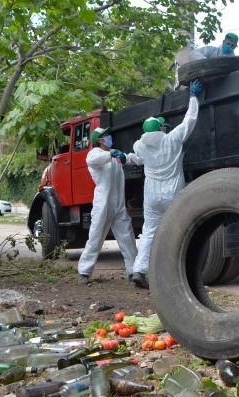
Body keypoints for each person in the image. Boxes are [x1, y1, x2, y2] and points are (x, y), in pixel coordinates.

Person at [113, 79, 203, 289]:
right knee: (178, 230)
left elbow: (136, 158)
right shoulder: (172, 140)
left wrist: (124, 157)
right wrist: (193, 96)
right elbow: (190, 120)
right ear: (161, 128)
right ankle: (175, 272)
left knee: (149, 232)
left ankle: (139, 270)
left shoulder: (141, 146)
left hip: (152, 195)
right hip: (173, 193)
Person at [77, 127, 138, 285]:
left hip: (118, 204)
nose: (109, 136)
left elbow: (129, 158)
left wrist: (128, 157)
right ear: (99, 140)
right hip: (103, 204)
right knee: (95, 238)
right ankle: (84, 272)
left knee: (127, 237)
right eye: (106, 135)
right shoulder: (95, 154)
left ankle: (134, 271)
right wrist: (110, 154)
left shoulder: (114, 153)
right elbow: (93, 161)